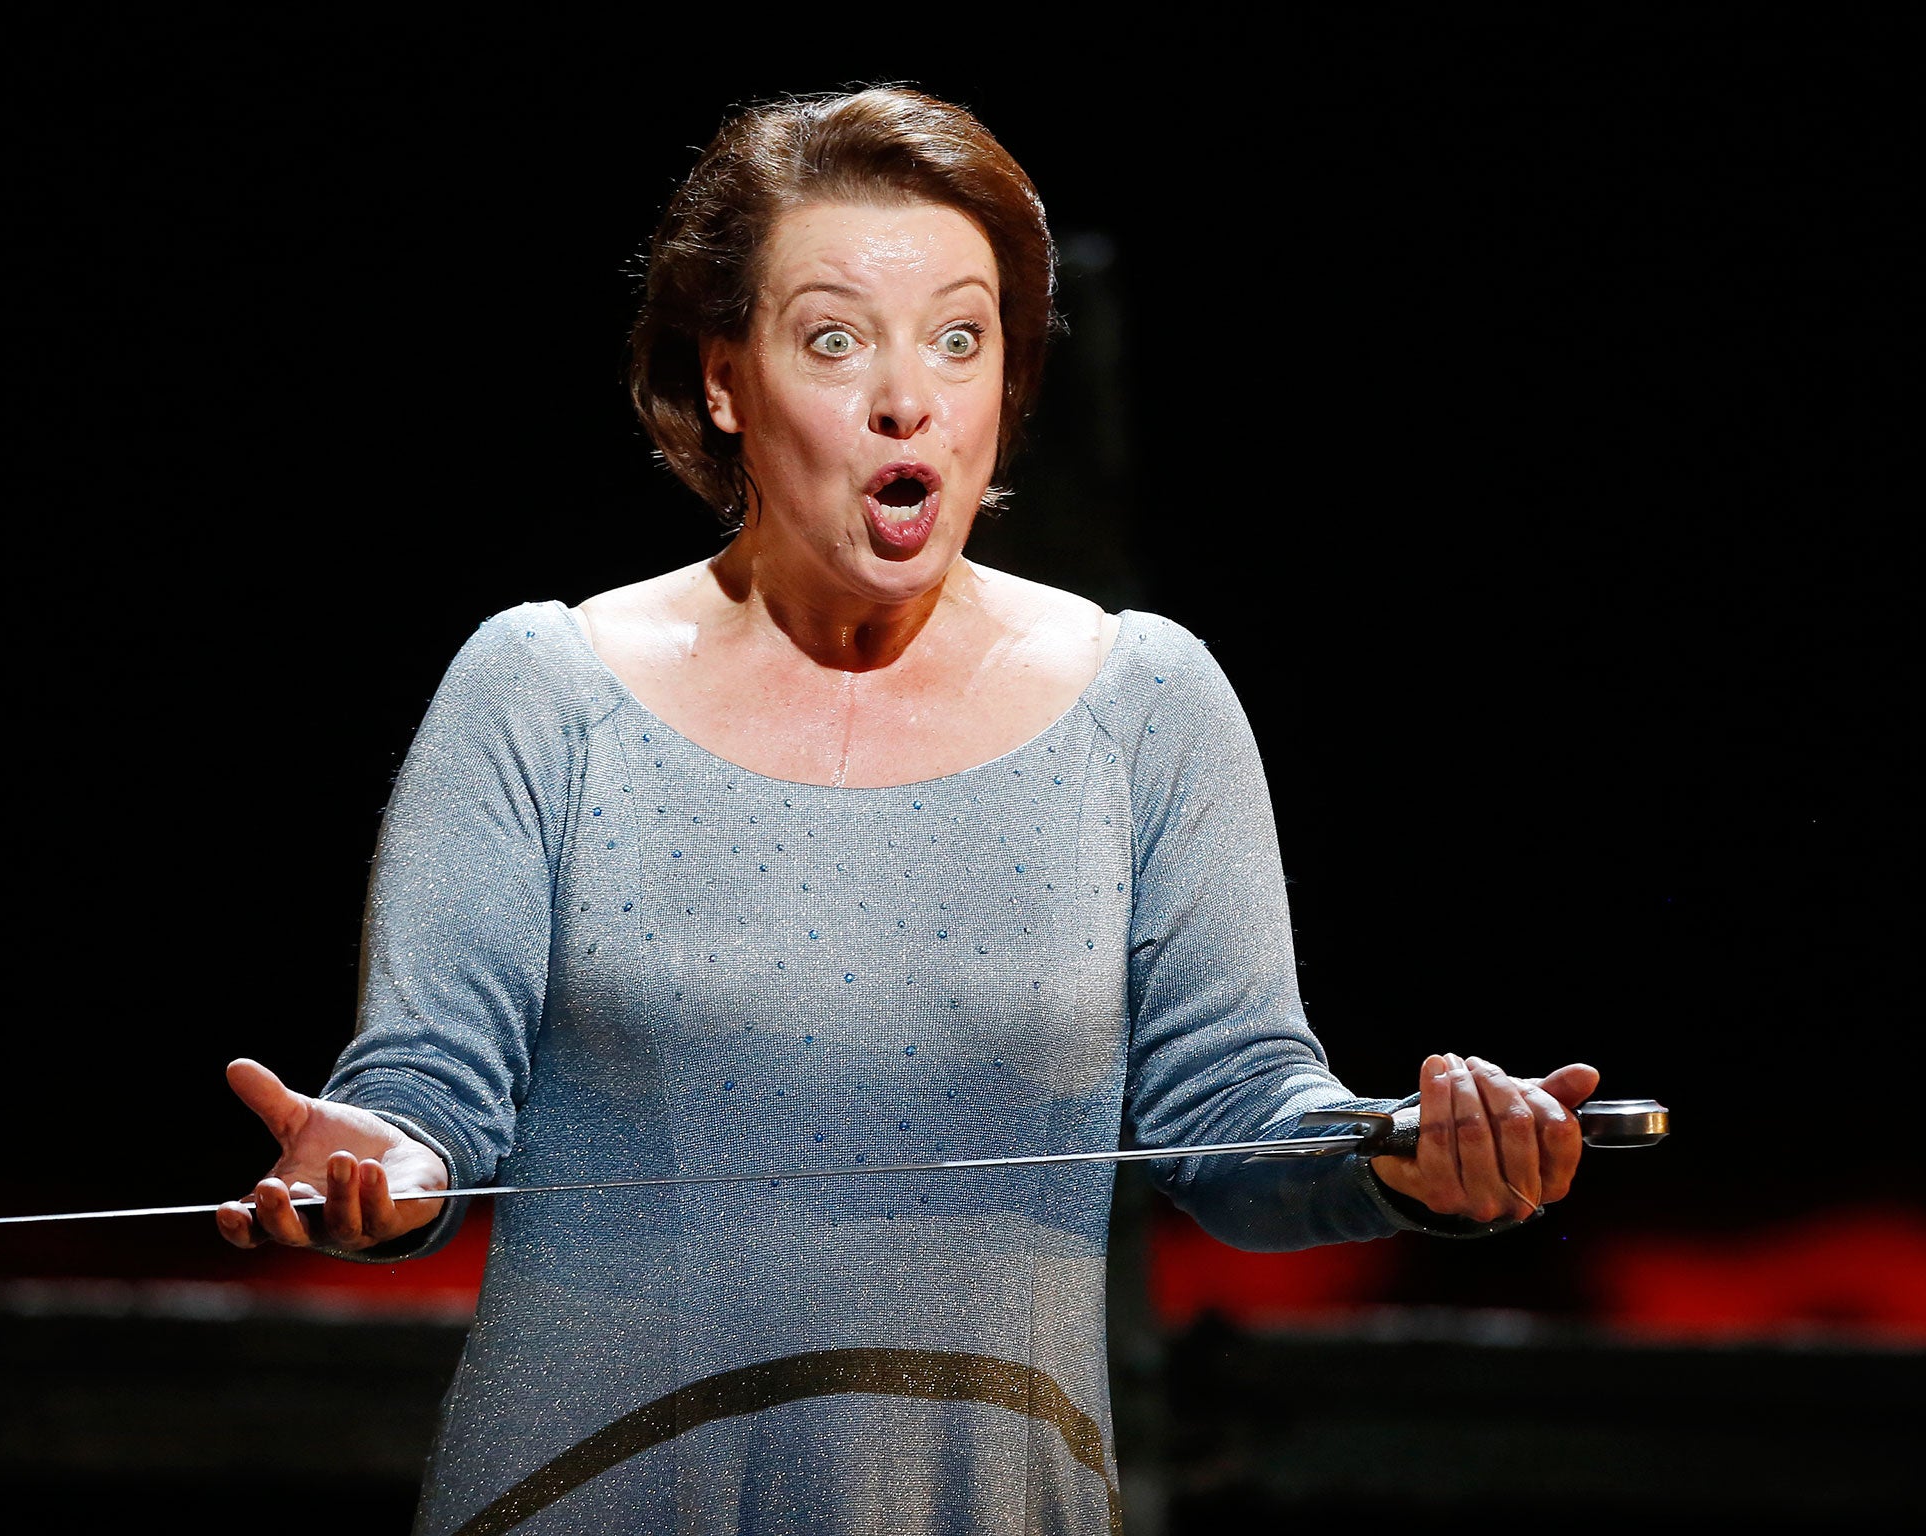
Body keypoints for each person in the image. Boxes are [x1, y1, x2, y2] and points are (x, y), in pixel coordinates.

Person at [218, 88, 1599, 1535]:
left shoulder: (1146, 702)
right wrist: (379, 1163)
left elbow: (1236, 1117)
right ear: (725, 379)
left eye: (961, 337)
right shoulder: (541, 689)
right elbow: (427, 1097)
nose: (909, 396)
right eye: (834, 339)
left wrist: (1415, 1156)